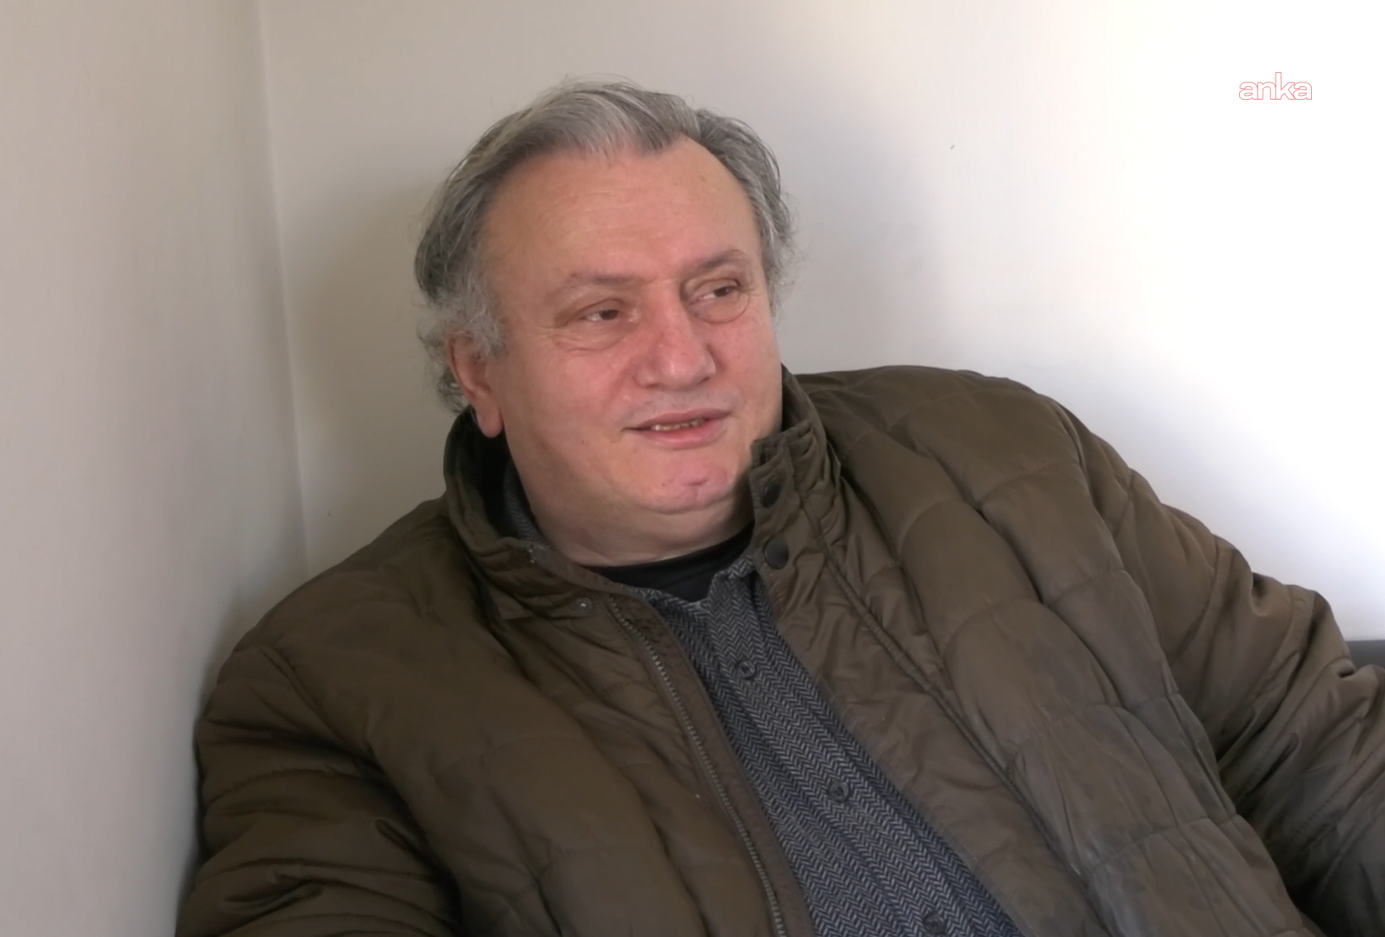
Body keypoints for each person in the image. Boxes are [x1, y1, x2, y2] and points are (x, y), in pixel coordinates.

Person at [176, 81, 1384, 937]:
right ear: (478, 371)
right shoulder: (330, 688)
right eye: (601, 312)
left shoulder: (1004, 454)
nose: (682, 357)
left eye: (718, 289)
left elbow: (1311, 745)